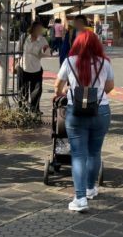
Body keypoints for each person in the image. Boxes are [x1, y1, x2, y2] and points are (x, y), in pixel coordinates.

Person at [54, 30, 114, 212]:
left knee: (78, 154)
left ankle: (80, 198)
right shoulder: (105, 62)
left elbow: (58, 86)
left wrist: (64, 93)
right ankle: (90, 188)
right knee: (95, 152)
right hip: (101, 110)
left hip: (76, 111)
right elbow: (109, 87)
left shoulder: (70, 61)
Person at [17, 22, 51, 113]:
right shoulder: (24, 38)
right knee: (22, 90)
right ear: (32, 29)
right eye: (38, 29)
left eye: (40, 29)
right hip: (23, 66)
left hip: (36, 68)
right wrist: (14, 65)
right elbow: (18, 51)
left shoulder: (42, 40)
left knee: (36, 90)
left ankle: (34, 109)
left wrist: (44, 50)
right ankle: (22, 109)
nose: (39, 31)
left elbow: (48, 53)